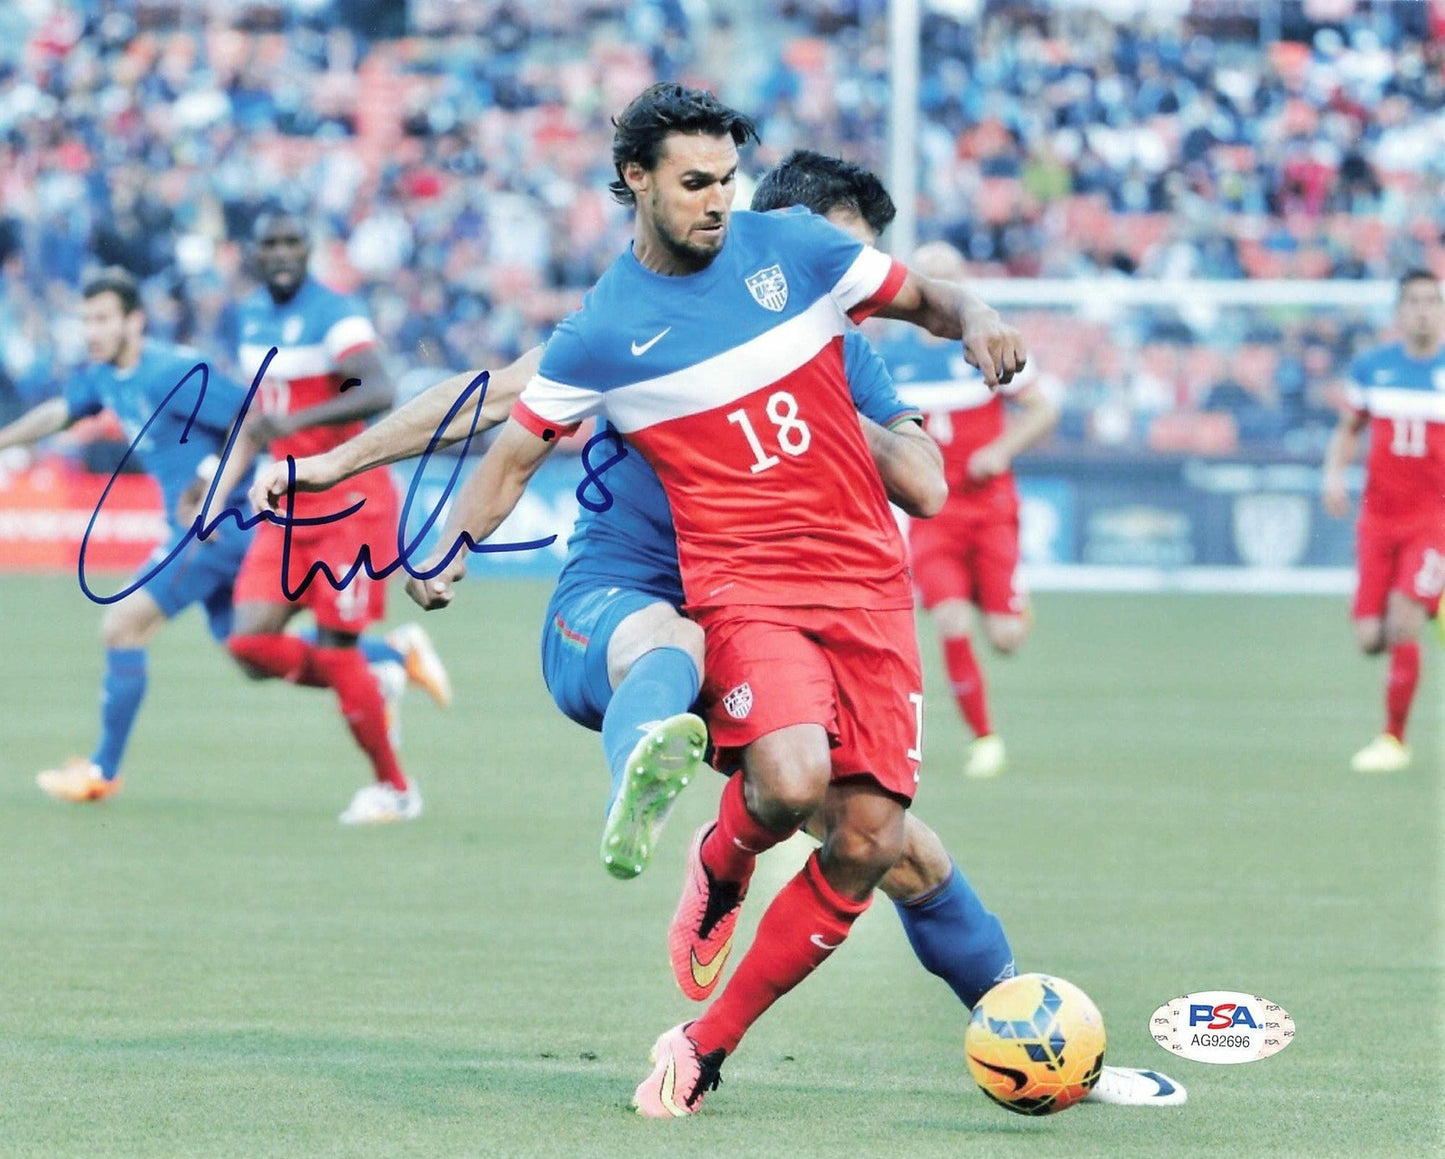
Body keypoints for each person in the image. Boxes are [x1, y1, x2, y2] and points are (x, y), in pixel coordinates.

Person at [251, 143, 1184, 1114]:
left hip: (771, 613)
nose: (851, 292)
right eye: (838, 259)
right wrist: (334, 466)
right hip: (625, 602)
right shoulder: (635, 322)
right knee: (673, 646)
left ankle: (1036, 1040)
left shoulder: (838, 348)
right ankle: (674, 819)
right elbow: (486, 399)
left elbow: (924, 481)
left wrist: (806, 387)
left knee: (888, 844)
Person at [0, 266, 450, 804]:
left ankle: (102, 770)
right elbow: (60, 412)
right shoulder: (101, 376)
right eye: (85, 320)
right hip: (206, 532)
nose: (91, 331)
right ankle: (388, 659)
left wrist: (209, 478)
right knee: (251, 654)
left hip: (214, 528)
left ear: (135, 321)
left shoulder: (174, 372)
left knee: (122, 625)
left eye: (102, 319)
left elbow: (250, 415)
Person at [211, 211, 434, 824]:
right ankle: (379, 672)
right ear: (254, 253)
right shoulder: (250, 316)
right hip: (287, 509)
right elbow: (258, 416)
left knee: (337, 650)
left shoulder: (337, 315)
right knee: (248, 643)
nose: (282, 252)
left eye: (293, 242)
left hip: (349, 503)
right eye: (270, 243)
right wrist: (216, 486)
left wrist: (297, 423)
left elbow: (379, 389)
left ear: (308, 251)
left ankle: (396, 789)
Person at [874, 241, 1060, 778]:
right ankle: (984, 739)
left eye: (951, 277)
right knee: (950, 620)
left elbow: (1043, 409)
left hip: (991, 507)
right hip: (934, 515)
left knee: (1006, 638)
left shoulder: (988, 343)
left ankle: (1002, 599)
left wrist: (1000, 450)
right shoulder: (890, 358)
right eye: (931, 277)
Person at [1323, 268, 1445, 774]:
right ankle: (1435, 601)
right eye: (1413, 302)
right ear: (1398, 312)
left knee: (1402, 620)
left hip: (1432, 520)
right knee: (1371, 638)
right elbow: (1349, 429)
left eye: (1432, 301)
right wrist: (1334, 475)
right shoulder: (1372, 368)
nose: (1423, 311)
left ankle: (1394, 741)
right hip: (1377, 520)